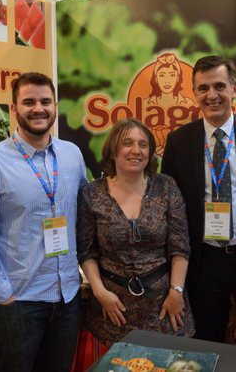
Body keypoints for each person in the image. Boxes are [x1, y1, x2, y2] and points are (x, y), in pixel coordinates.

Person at [0, 72, 87, 372]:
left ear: (55, 106)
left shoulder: (72, 155)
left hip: (67, 296)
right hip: (19, 303)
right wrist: (2, 293)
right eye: (29, 102)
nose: (38, 109)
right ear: (14, 109)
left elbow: (84, 212)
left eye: (45, 101)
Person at [161, 55, 236, 347]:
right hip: (204, 261)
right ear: (194, 93)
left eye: (219, 86)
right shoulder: (178, 142)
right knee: (205, 344)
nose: (211, 95)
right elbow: (170, 209)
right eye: (203, 88)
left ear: (234, 88)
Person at [77, 118, 195, 348]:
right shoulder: (92, 193)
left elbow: (180, 246)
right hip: (112, 308)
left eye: (143, 145)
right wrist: (100, 293)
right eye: (127, 143)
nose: (136, 150)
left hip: (164, 306)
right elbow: (86, 251)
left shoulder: (166, 186)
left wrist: (176, 292)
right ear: (113, 150)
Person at [146, 53, 195, 156]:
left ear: (177, 78)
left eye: (172, 75)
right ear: (156, 78)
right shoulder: (145, 104)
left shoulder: (189, 104)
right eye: (162, 75)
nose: (167, 81)